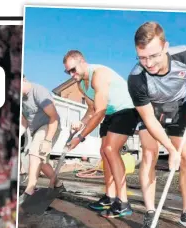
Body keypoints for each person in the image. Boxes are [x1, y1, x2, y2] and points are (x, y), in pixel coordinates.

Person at [128, 21, 186, 228]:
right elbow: (148, 118)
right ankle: (150, 212)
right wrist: (169, 149)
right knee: (149, 154)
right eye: (142, 57)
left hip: (179, 107)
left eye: (154, 55)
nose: (149, 63)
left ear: (165, 47)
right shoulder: (136, 78)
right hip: (152, 110)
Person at [63, 50, 140, 217]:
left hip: (127, 109)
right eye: (68, 71)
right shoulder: (80, 85)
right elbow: (91, 110)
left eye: (73, 69)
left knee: (111, 149)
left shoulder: (99, 74)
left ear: (82, 62)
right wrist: (81, 122)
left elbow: (99, 112)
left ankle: (123, 202)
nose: (71, 74)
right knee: (103, 152)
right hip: (111, 113)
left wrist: (80, 137)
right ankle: (110, 197)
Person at [19, 76, 62, 205]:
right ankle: (58, 184)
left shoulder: (39, 91)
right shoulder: (21, 99)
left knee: (34, 153)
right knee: (41, 163)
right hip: (36, 130)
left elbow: (54, 117)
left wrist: (47, 140)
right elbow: (24, 121)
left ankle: (30, 189)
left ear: (24, 79)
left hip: (50, 126)